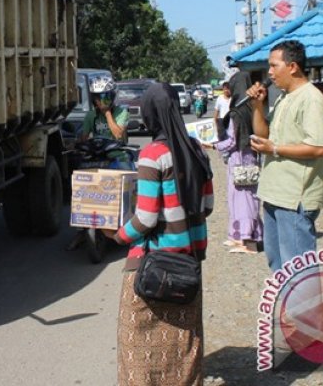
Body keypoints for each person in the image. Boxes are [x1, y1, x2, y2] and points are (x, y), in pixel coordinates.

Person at [103, 82, 214, 385]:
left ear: (150, 114)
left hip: (153, 264)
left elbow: (145, 219)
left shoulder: (153, 154)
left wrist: (116, 235)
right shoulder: (196, 150)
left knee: (137, 350)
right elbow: (207, 206)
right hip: (189, 264)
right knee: (184, 346)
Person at [246, 40, 323, 272]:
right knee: (279, 265)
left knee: (298, 269)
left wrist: (274, 149)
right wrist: (257, 106)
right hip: (274, 193)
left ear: (292, 67)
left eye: (274, 66)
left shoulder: (311, 98)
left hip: (295, 197)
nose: (269, 73)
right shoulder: (283, 97)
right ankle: (286, 308)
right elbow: (264, 135)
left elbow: (319, 147)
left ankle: (305, 309)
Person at [67, 74, 131, 251]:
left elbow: (118, 135)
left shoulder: (122, 112)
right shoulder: (90, 116)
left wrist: (108, 113)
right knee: (80, 187)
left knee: (130, 186)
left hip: (118, 157)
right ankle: (81, 229)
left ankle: (131, 226)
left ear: (113, 97)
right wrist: (76, 142)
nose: (103, 101)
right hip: (97, 158)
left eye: (106, 97)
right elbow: (84, 136)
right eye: (99, 97)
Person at [202, 72, 263, 254]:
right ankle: (239, 237)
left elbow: (232, 141)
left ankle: (248, 241)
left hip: (239, 159)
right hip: (248, 158)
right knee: (244, 198)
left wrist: (212, 145)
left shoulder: (237, 112)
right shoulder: (251, 108)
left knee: (243, 200)